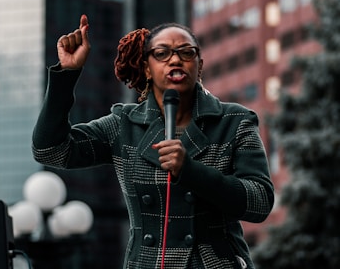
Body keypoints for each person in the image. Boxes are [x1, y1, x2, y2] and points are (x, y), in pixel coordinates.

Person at [32, 14, 274, 269]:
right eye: (162, 53)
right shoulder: (123, 124)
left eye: (186, 52)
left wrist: (190, 170)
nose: (176, 59)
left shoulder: (234, 121)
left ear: (199, 66)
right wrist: (67, 74)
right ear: (147, 68)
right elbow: (50, 151)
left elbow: (260, 201)